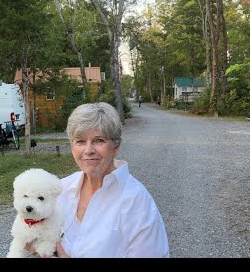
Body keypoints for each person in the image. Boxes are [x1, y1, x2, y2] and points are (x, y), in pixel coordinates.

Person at [46, 102, 169, 258]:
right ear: (72, 147)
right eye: (80, 141)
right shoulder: (61, 189)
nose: (88, 150)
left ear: (116, 147)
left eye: (99, 140)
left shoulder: (136, 202)